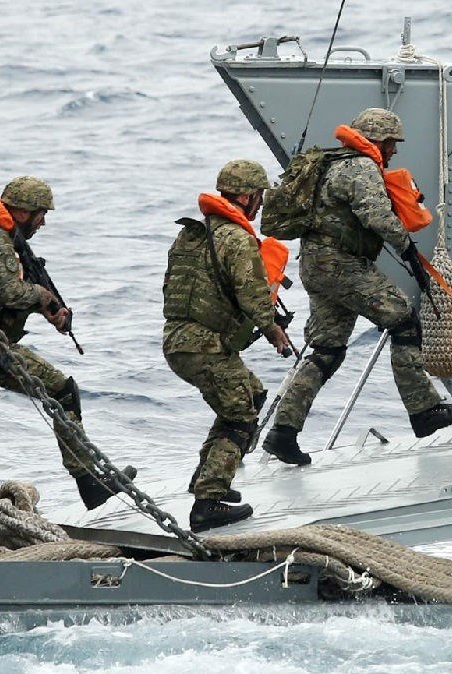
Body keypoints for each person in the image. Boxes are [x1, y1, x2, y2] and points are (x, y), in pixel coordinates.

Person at [261, 108, 452, 465]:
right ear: (378, 140)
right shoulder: (361, 167)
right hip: (342, 266)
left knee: (327, 349)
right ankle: (424, 411)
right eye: (391, 143)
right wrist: (409, 250)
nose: (394, 152)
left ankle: (283, 433)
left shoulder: (329, 164)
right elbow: (376, 215)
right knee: (403, 320)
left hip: (316, 264)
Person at [0, 176, 131, 509]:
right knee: (62, 391)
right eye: (40, 213)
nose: (43, 222)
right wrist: (42, 297)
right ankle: (89, 481)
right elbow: (8, 292)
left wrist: (46, 306)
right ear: (22, 210)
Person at [163, 159, 292, 532]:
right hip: (205, 345)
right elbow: (252, 295)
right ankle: (209, 502)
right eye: (261, 197)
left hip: (178, 339)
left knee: (250, 392)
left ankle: (205, 477)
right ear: (249, 196)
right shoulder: (235, 238)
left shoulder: (193, 234)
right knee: (241, 414)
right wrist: (273, 331)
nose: (263, 204)